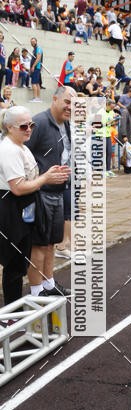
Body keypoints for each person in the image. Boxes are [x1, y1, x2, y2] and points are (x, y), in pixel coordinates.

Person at [0, 107, 70, 304]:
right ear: (9, 127)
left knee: (21, 261)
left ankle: (17, 309)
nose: (29, 129)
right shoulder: (9, 150)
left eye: (31, 124)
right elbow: (18, 188)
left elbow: (28, 180)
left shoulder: (21, 146)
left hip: (25, 204)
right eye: (24, 126)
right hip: (13, 206)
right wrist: (46, 177)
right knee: (14, 263)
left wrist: (49, 175)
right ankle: (11, 315)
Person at [25, 87, 75, 298]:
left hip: (58, 191)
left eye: (74, 104)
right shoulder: (39, 123)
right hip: (39, 193)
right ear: (54, 99)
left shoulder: (67, 125)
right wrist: (37, 180)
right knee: (38, 243)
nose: (70, 107)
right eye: (66, 101)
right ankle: (36, 292)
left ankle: (49, 284)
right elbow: (23, 154)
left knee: (51, 242)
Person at [29, 37, 43, 102]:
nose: (32, 43)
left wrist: (33, 66)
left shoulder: (38, 48)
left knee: (34, 83)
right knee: (37, 83)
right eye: (31, 42)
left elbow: (38, 58)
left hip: (36, 68)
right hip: (35, 68)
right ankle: (38, 98)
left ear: (36, 41)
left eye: (34, 41)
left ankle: (35, 97)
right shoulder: (34, 49)